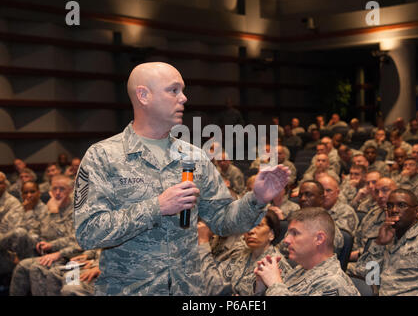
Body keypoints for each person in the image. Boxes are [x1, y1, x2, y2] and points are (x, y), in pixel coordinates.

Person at [73, 62, 291, 296]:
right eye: (174, 90)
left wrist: (256, 199)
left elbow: (223, 220)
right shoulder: (103, 156)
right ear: (143, 95)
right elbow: (88, 233)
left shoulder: (194, 157)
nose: (184, 98)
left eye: (183, 90)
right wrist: (156, 207)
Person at [353, 189, 418, 296]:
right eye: (389, 206)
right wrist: (379, 245)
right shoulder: (384, 241)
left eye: (402, 205)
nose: (394, 210)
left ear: (417, 211)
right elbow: (367, 279)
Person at [253, 207, 360, 296]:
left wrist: (274, 283)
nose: (286, 240)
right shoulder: (300, 270)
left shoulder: (333, 283)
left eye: (295, 233)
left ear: (319, 239)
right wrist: (262, 289)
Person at [9, 175, 82, 296]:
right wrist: (39, 241)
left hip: (69, 255)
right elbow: (37, 230)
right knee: (22, 267)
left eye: (62, 189)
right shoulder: (49, 207)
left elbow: (73, 238)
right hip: (47, 253)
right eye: (55, 189)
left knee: (37, 268)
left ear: (70, 190)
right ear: (50, 191)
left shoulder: (75, 211)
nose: (57, 193)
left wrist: (55, 214)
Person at [198, 211, 291, 296]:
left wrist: (203, 242)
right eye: (248, 227)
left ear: (271, 234)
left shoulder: (276, 264)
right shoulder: (241, 254)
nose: (251, 231)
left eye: (258, 225)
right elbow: (214, 284)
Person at [349, 177, 397, 262]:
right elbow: (357, 238)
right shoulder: (373, 213)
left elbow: (389, 250)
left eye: (385, 190)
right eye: (376, 192)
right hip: (360, 260)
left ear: (396, 191)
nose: (380, 195)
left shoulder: (401, 218)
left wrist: (352, 256)